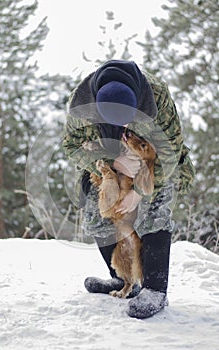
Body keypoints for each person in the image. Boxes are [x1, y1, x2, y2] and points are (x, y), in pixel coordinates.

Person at [63, 60, 195, 319]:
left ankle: (155, 290)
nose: (123, 130)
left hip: (153, 165)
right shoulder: (80, 104)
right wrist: (113, 162)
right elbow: (71, 146)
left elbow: (170, 151)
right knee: (96, 214)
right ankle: (124, 281)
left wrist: (140, 192)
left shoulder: (157, 96)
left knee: (153, 211)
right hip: (109, 166)